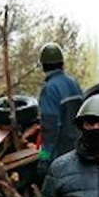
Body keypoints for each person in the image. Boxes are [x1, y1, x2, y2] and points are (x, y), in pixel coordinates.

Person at [37, 43, 83, 179]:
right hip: (80, 150)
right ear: (62, 63)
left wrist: (44, 157)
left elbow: (50, 128)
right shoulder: (74, 83)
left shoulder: (50, 89)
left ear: (43, 65)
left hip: (60, 156)